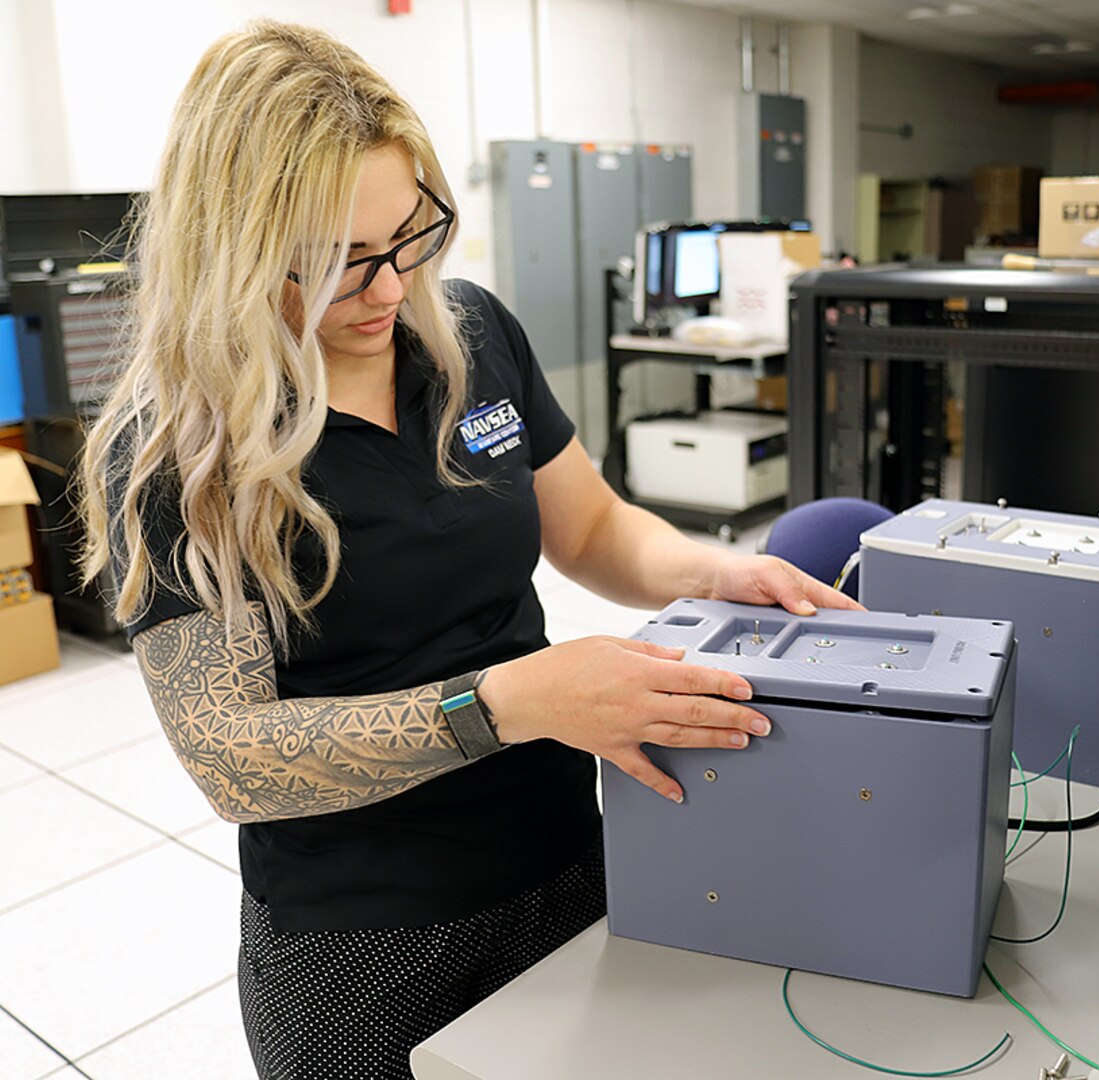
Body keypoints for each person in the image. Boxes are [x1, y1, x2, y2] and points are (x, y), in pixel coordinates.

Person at [78, 20, 858, 1080]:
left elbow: (589, 528)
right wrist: (507, 704)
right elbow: (232, 756)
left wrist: (711, 568)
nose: (391, 291)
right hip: (362, 937)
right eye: (337, 265)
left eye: (409, 237)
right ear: (232, 253)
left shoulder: (472, 334)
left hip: (565, 856)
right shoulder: (179, 451)